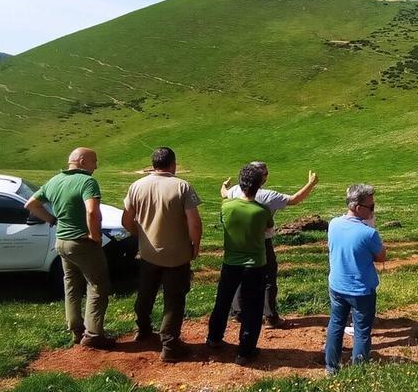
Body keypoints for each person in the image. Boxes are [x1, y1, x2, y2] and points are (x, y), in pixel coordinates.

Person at [24, 147, 115, 349]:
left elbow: (31, 204)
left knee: (71, 285)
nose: (96, 166)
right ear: (82, 161)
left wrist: (51, 220)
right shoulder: (87, 181)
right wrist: (94, 235)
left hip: (61, 241)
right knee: (98, 285)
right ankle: (93, 335)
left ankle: (76, 330)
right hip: (82, 242)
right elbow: (92, 211)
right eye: (94, 161)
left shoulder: (55, 180)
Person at [121, 147, 203, 362]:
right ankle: (169, 345)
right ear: (173, 164)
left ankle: (143, 329)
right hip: (177, 254)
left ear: (153, 164)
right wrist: (195, 245)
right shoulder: (182, 186)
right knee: (174, 299)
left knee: (146, 292)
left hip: (148, 253)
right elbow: (194, 222)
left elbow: (126, 220)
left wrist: (141, 235)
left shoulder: (137, 186)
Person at [220, 162, 318, 328]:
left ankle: (237, 312)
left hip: (238, 241)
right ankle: (270, 316)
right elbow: (294, 200)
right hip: (261, 243)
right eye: (266, 174)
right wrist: (311, 184)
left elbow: (224, 193)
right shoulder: (269, 196)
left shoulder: (236, 189)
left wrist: (224, 185)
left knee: (238, 274)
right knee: (268, 279)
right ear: (262, 178)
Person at [207, 164, 274, 365]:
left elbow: (225, 209)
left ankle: (214, 338)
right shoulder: (263, 211)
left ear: (241, 184)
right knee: (253, 308)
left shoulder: (226, 206)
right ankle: (245, 351)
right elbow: (268, 231)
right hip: (256, 265)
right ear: (259, 185)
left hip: (230, 263)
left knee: (223, 301)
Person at [324, 184, 386, 375]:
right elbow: (381, 256)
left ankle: (331, 367)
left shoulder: (333, 223)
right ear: (358, 207)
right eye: (371, 207)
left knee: (336, 324)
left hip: (337, 285)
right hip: (361, 290)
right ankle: (358, 371)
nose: (373, 210)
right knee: (362, 331)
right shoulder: (369, 233)